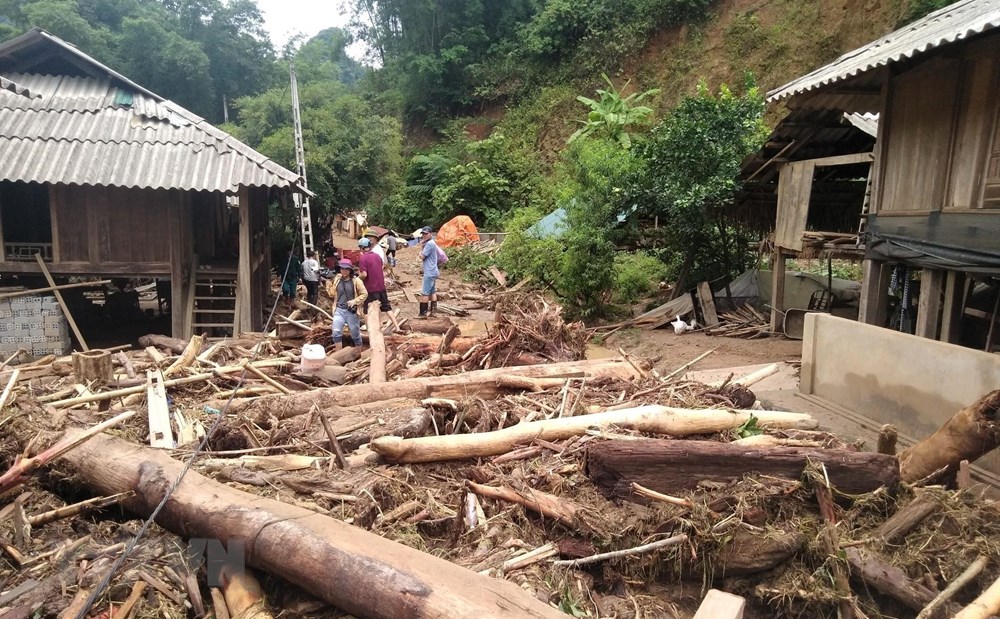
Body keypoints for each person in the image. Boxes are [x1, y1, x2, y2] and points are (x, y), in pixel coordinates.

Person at [358, 237, 400, 329]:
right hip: (381, 286)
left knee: (367, 310)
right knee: (387, 307)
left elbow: (364, 274)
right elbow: (382, 265)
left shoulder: (363, 258)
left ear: (361, 248)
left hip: (370, 288)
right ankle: (397, 327)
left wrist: (358, 279)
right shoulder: (377, 256)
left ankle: (369, 328)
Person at [325, 259, 367, 349]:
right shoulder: (337, 279)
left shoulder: (356, 281)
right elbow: (332, 294)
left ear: (350, 270)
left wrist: (354, 301)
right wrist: (328, 285)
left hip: (351, 311)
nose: (344, 271)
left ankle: (358, 353)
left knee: (355, 334)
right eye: (342, 269)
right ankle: (339, 354)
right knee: (336, 332)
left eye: (346, 269)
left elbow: (364, 294)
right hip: (339, 310)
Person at [418, 226, 439, 317]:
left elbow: (422, 256)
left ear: (431, 234)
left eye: (426, 234)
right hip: (434, 271)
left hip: (429, 272)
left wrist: (420, 250)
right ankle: (433, 312)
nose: (424, 235)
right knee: (432, 292)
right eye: (423, 234)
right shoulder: (432, 243)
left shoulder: (430, 244)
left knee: (425, 293)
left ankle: (423, 313)